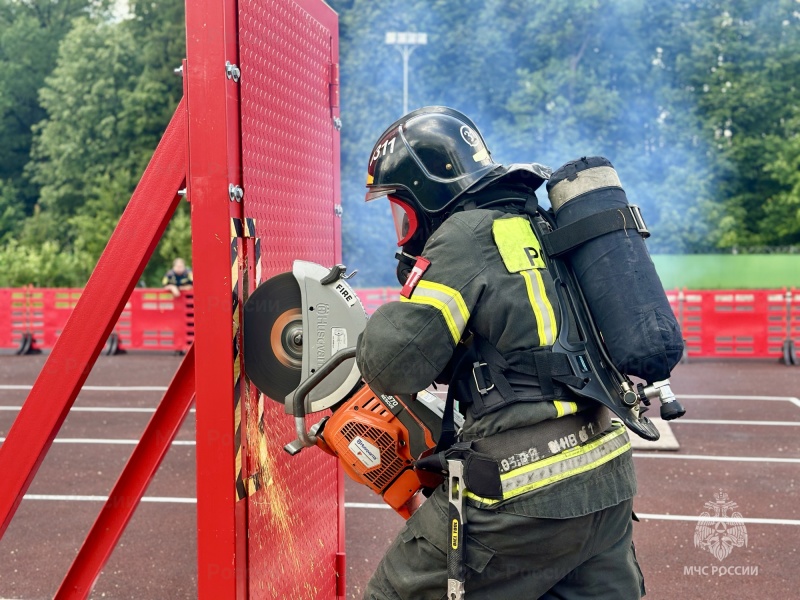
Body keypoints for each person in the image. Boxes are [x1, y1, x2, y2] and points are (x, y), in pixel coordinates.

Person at [355, 106, 645, 599]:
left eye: (400, 209)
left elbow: (390, 362)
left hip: (526, 493)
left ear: (426, 191)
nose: (402, 227)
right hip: (606, 479)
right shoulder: (536, 222)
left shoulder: (464, 236)